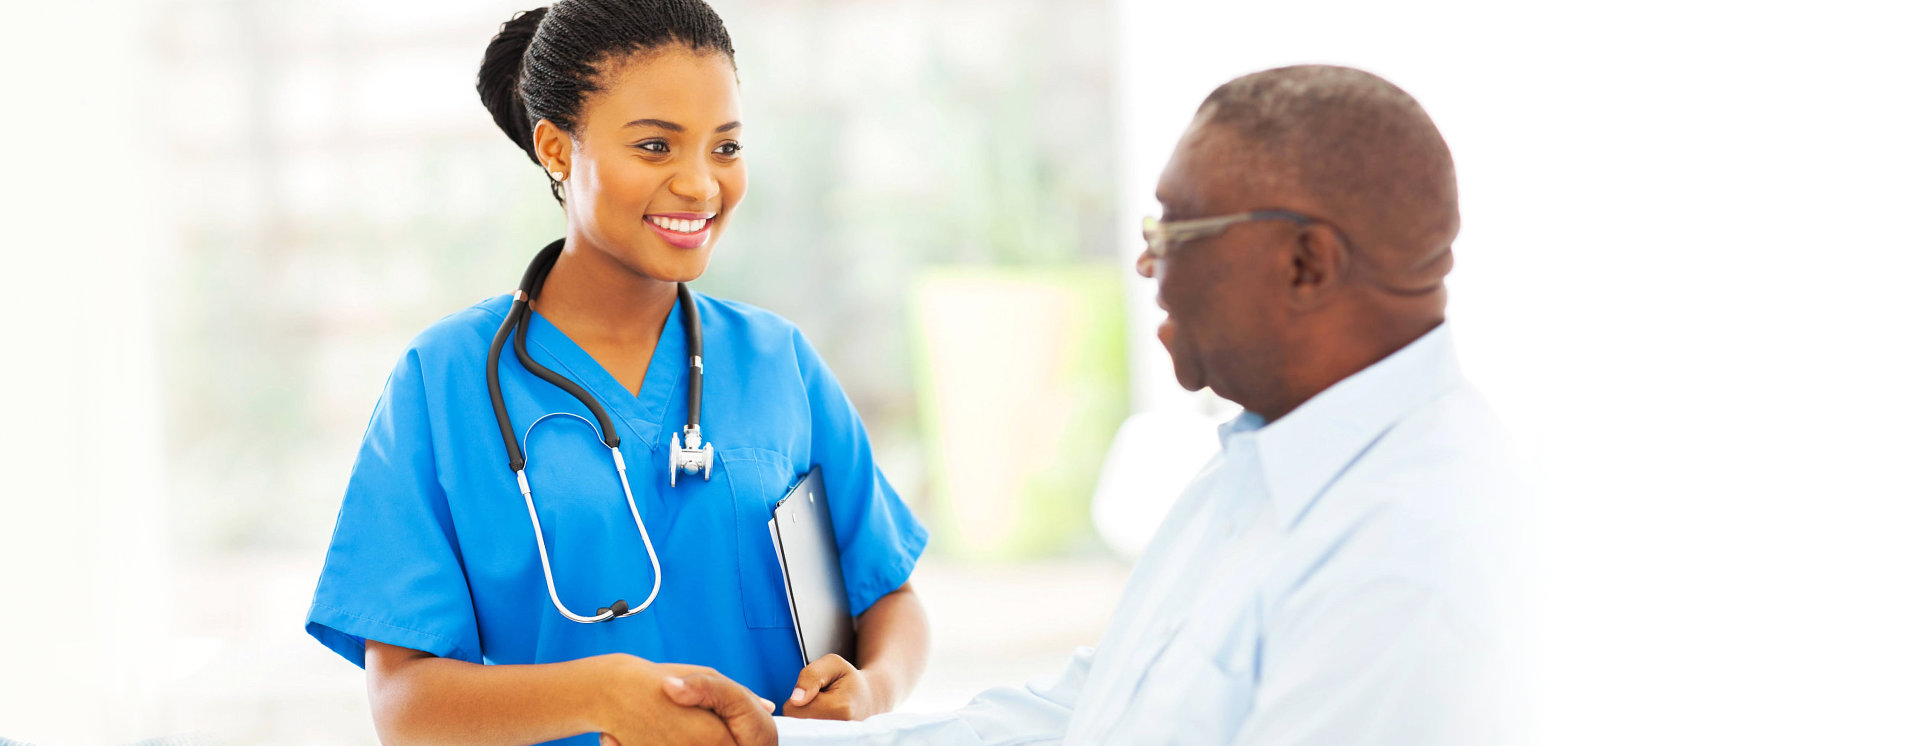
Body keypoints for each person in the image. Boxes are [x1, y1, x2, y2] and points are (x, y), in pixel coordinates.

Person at [672, 64, 1524, 745]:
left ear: (1306, 264)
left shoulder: (1408, 554)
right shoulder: (1258, 466)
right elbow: (1085, 715)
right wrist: (782, 744)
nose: (1149, 269)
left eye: (1175, 235)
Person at [302, 2, 931, 744]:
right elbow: (406, 707)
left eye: (725, 148)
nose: (701, 185)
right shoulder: (442, 382)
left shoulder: (775, 359)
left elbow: (889, 597)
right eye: (657, 147)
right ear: (557, 151)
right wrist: (599, 695)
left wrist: (873, 688)